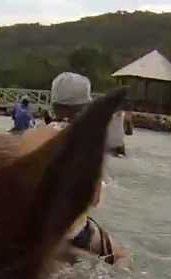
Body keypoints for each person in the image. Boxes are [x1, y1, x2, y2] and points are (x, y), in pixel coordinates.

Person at [42, 71, 130, 264]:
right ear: (86, 108)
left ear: (53, 104)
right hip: (68, 232)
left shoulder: (32, 135)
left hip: (30, 225)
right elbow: (94, 199)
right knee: (122, 259)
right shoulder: (88, 143)